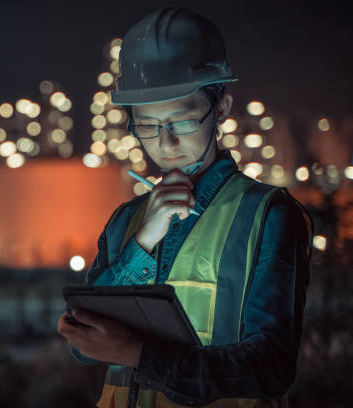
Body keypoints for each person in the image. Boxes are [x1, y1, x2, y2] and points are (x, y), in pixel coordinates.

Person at [56, 7, 313, 408]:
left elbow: (271, 367)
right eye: (147, 126)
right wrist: (144, 241)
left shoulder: (269, 216)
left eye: (183, 121)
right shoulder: (127, 221)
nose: (166, 143)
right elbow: (84, 347)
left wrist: (137, 355)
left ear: (222, 108)